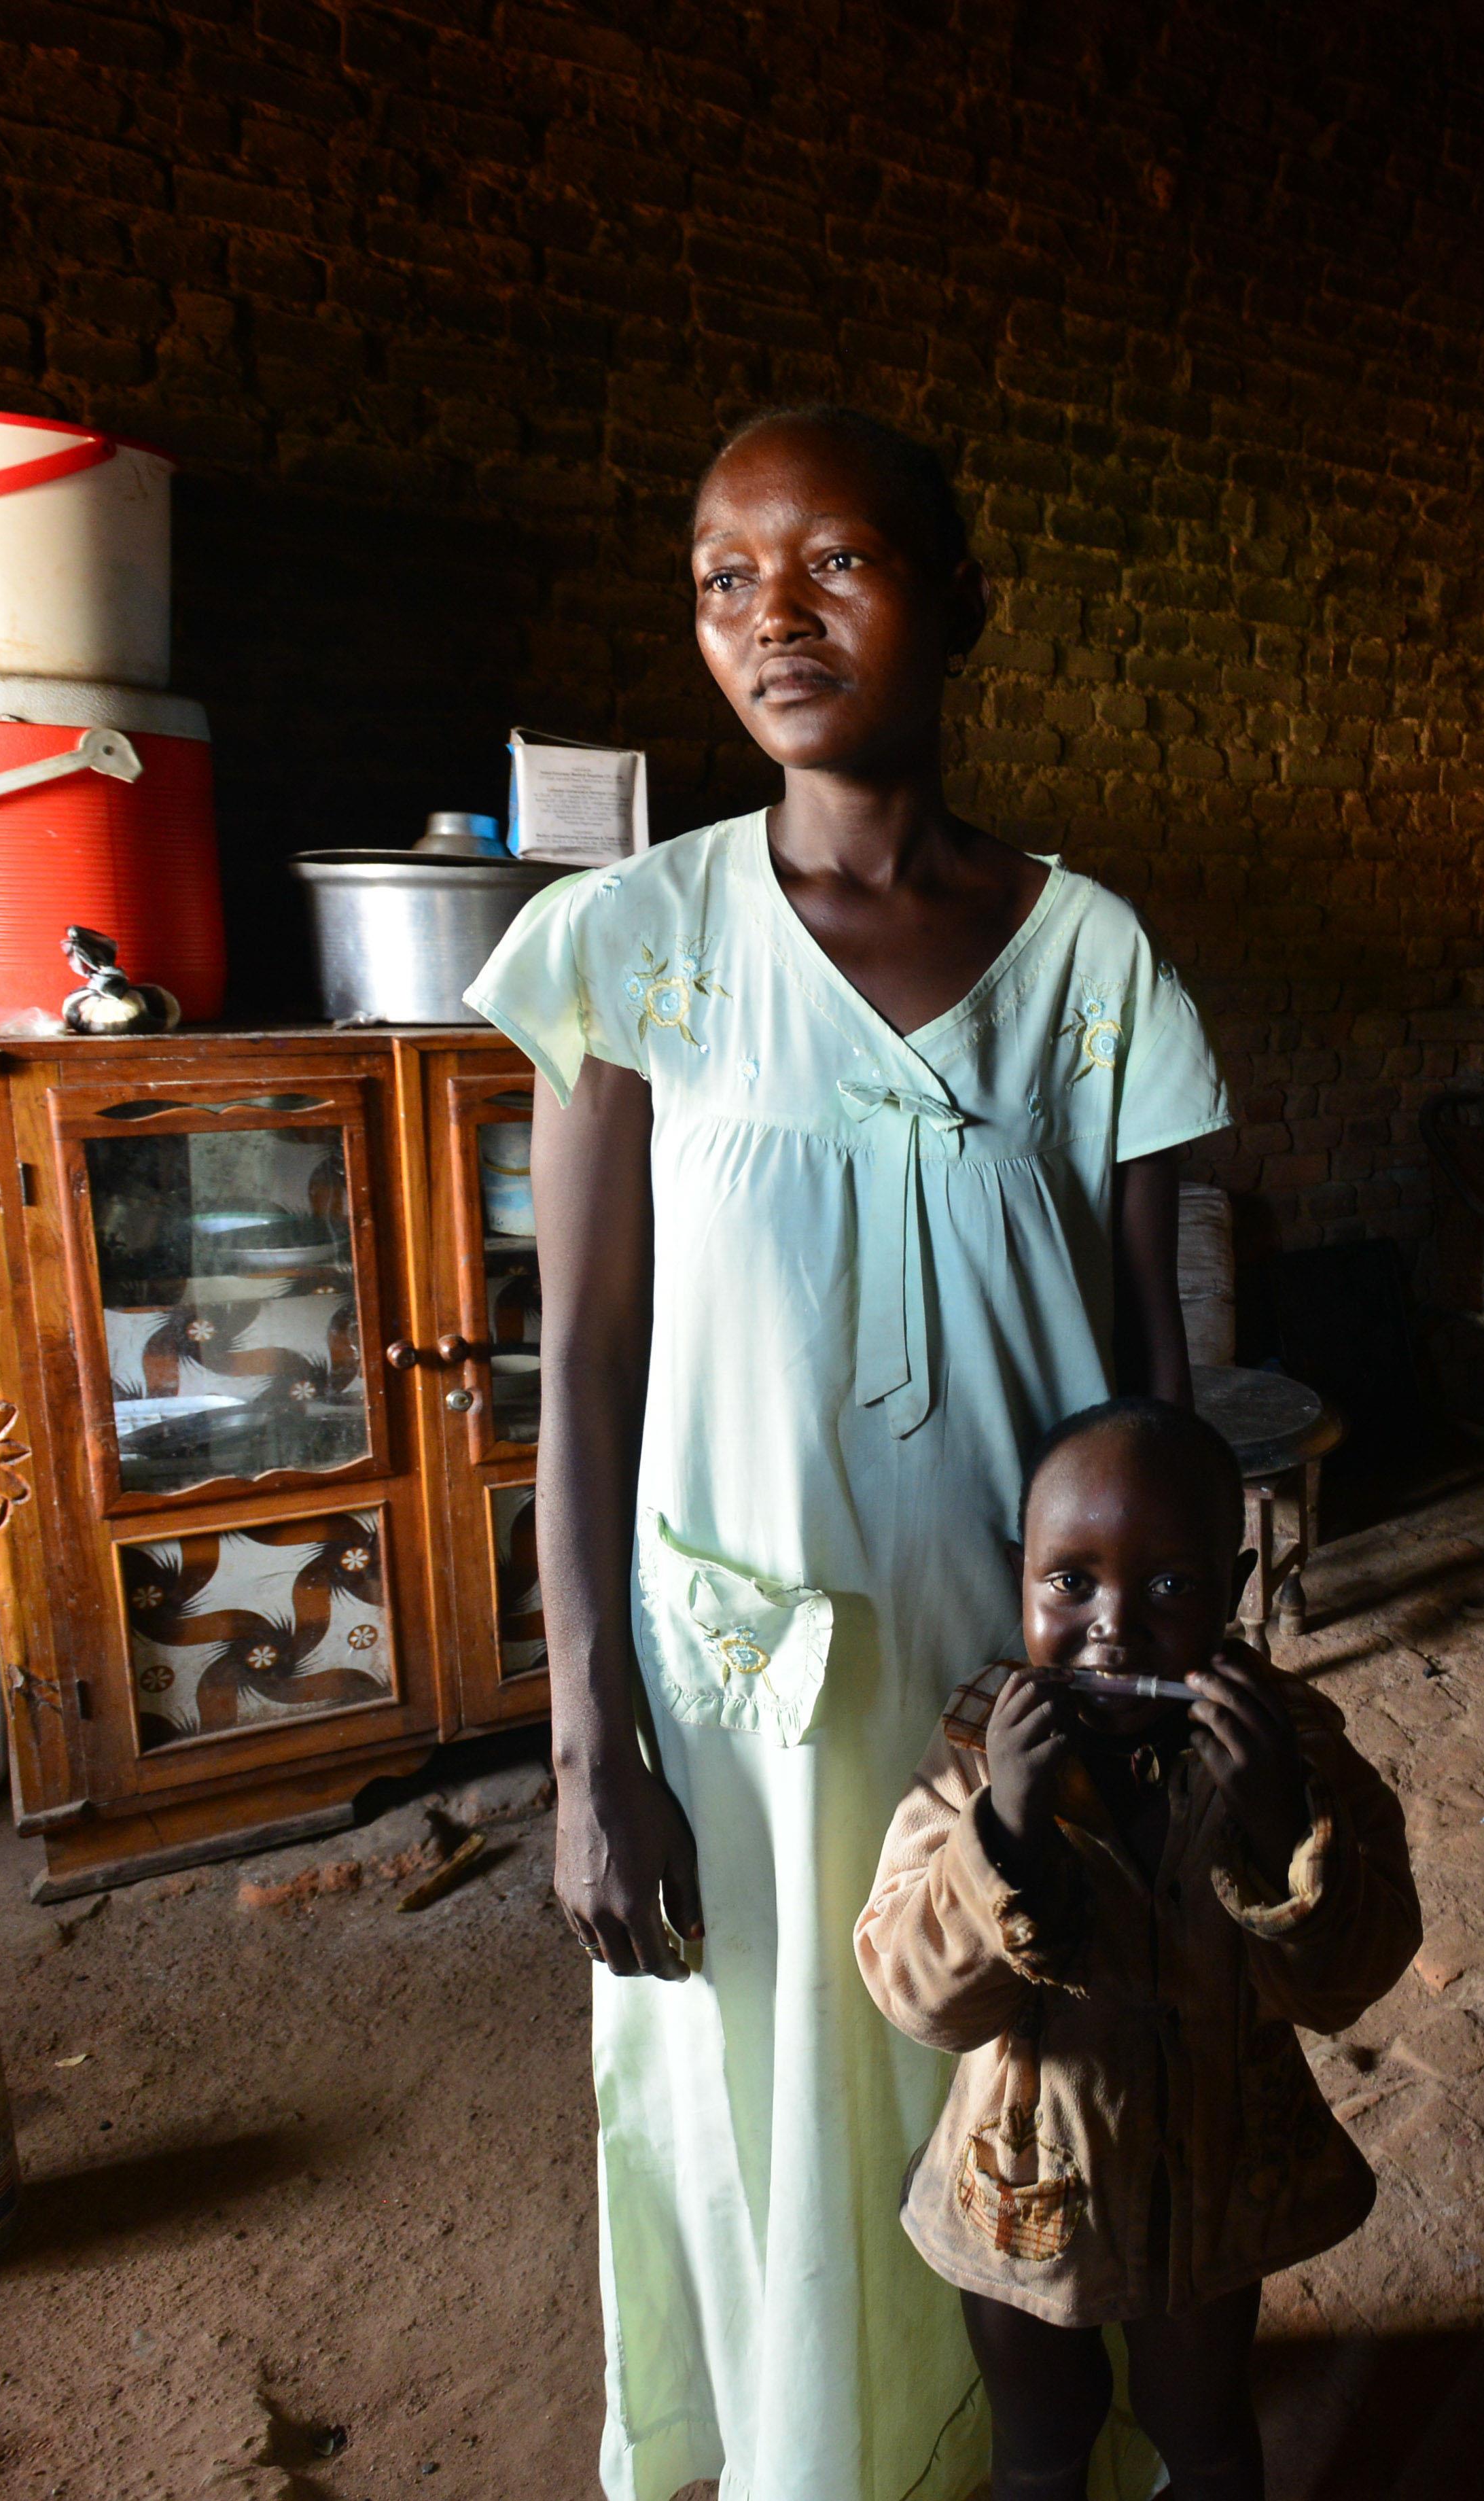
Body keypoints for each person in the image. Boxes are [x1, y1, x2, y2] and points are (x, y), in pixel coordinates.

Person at [467, 407, 1231, 2501]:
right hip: (746, 1701)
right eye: (726, 573)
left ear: (959, 604)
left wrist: (1173, 1710)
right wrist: (588, 1741)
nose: (773, 616)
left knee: (1032, 2091)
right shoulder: (639, 947)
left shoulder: (1092, 967)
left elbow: (1166, 1391)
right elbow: (591, 1375)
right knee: (771, 2104)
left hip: (1027, 1691)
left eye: (838, 564)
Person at [857, 1401, 1421, 2501]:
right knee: (1039, 2439)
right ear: (1021, 1576)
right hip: (1020, 2196)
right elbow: (915, 1996)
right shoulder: (978, 1751)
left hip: (1213, 2188)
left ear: (1238, 1581)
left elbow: (1348, 1981)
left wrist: (1275, 1821)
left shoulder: (1288, 1742)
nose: (1113, 1627)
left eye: (1170, 1585)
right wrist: (1003, 1834)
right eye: (1071, 1582)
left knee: (1205, 2428)